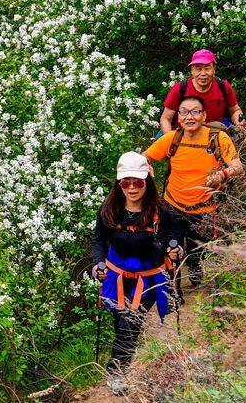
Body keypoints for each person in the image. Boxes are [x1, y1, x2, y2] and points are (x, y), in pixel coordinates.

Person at [92, 152, 181, 395]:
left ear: (147, 182)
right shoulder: (109, 209)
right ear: (119, 184)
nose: (132, 188)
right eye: (126, 182)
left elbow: (173, 232)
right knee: (120, 321)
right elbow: (99, 241)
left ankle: (117, 371)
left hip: (148, 277)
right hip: (116, 276)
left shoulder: (159, 210)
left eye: (138, 182)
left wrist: (174, 246)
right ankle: (123, 359)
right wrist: (97, 264)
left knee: (131, 321)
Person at [145, 95, 243, 292]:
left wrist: (222, 174)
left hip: (204, 210)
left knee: (197, 248)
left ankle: (195, 267)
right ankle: (174, 293)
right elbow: (146, 155)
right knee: (169, 249)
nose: (189, 117)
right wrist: (145, 165)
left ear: (204, 115)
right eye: (184, 112)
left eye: (195, 112)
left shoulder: (217, 137)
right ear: (178, 117)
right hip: (173, 206)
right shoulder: (172, 138)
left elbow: (237, 166)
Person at [159, 49, 246, 134]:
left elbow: (235, 110)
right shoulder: (180, 89)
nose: (203, 73)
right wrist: (171, 139)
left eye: (207, 68)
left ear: (214, 69)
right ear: (192, 71)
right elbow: (166, 119)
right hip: (182, 136)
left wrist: (238, 122)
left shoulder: (223, 86)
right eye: (198, 69)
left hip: (213, 137)